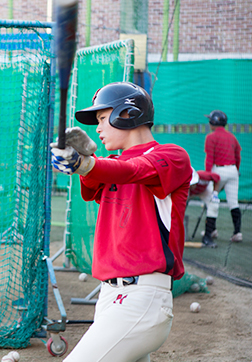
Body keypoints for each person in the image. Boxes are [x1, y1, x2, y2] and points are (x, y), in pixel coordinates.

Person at [51, 82, 191, 362]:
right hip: (109, 298)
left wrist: (86, 163)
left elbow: (133, 170)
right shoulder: (111, 165)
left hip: (142, 298)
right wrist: (83, 161)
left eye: (103, 118)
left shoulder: (171, 156)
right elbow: (100, 178)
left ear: (128, 114)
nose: (98, 128)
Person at [204, 110, 242, 242]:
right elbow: (238, 156)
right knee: (233, 202)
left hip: (218, 172)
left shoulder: (211, 137)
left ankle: (211, 231)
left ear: (213, 122)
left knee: (211, 199)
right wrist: (236, 170)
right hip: (233, 171)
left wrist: (208, 175)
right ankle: (237, 233)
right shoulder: (232, 137)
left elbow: (210, 158)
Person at [188, 167, 221, 248]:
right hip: (187, 192)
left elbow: (217, 178)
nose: (193, 185)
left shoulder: (203, 175)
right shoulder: (183, 182)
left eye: (194, 183)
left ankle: (207, 236)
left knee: (214, 205)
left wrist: (215, 194)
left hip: (205, 190)